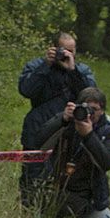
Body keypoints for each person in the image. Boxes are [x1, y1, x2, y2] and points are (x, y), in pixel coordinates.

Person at [31, 87, 110, 218]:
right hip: (59, 195)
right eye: (85, 108)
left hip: (89, 201)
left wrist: (88, 136)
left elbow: (107, 162)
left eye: (94, 110)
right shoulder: (68, 123)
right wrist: (62, 119)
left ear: (102, 111)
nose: (89, 114)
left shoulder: (108, 131)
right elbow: (40, 143)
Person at [17, 32, 96, 205]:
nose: (66, 55)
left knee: (65, 176)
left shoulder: (81, 71)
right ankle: (29, 212)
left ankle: (56, 215)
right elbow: (26, 90)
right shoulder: (38, 66)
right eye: (63, 50)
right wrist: (46, 65)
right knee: (34, 175)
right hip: (38, 127)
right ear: (53, 48)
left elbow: (91, 98)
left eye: (71, 51)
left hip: (70, 131)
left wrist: (72, 71)